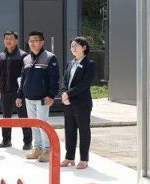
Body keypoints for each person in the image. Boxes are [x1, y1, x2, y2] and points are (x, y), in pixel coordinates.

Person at [16, 31, 60, 162]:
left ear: (42, 42)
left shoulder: (50, 57)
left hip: (43, 98)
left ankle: (47, 150)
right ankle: (37, 148)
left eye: (36, 40)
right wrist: (20, 95)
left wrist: (51, 95)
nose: (33, 43)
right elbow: (23, 79)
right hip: (29, 98)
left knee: (42, 124)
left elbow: (54, 79)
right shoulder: (26, 59)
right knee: (33, 124)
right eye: (31, 41)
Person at [59, 36, 96, 169]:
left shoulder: (89, 63)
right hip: (68, 103)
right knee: (69, 131)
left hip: (82, 103)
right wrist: (64, 93)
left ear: (84, 47)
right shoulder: (70, 63)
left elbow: (84, 84)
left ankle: (84, 159)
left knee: (83, 131)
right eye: (72, 46)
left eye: (76, 45)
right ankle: (69, 157)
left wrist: (68, 94)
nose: (73, 48)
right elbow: (64, 80)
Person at [0, 31, 30, 150]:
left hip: (19, 92)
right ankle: (6, 140)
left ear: (16, 40)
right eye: (6, 38)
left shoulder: (23, 55)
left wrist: (23, 91)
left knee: (23, 117)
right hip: (5, 91)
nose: (8, 41)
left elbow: (26, 75)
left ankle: (27, 142)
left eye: (10, 38)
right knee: (6, 117)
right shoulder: (1, 55)